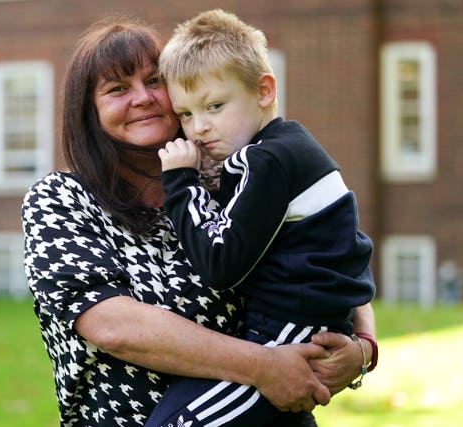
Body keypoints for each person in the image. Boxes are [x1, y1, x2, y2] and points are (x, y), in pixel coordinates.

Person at [21, 15, 377, 427]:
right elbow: (112, 325)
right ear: (89, 113)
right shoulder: (61, 199)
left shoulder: (225, 175)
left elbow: (330, 250)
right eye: (118, 89)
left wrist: (363, 347)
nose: (142, 97)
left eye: (153, 81)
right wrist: (264, 367)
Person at [146, 9, 377, 427]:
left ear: (264, 91)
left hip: (292, 332)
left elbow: (221, 262)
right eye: (185, 114)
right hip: (292, 325)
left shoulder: (266, 159)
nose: (198, 128)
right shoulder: (290, 145)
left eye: (214, 105)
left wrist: (181, 183)